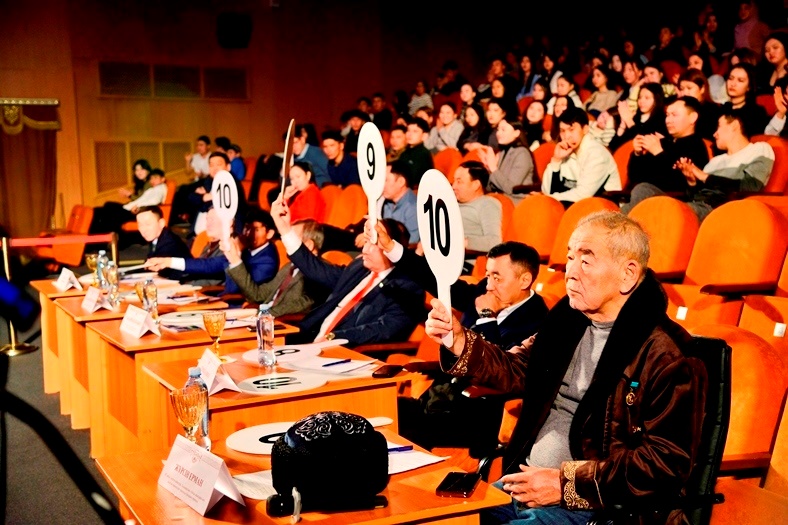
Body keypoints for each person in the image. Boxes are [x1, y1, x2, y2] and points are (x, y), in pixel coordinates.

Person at [425, 211, 707, 524]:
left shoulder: (667, 353)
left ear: (628, 274)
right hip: (523, 484)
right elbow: (515, 368)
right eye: (570, 257)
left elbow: (665, 463)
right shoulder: (566, 323)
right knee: (436, 517)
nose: (569, 272)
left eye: (585, 260)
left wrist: (566, 485)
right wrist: (458, 340)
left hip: (598, 507)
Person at [379, 230, 549, 457]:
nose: (489, 285)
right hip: (438, 401)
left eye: (497, 277)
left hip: (474, 414)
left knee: (395, 432)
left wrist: (487, 317)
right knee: (382, 410)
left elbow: (499, 371)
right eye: (487, 275)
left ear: (525, 280)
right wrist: (392, 248)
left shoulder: (538, 321)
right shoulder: (484, 290)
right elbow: (436, 281)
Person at [271, 198, 425, 347]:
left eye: (373, 245)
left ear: (390, 248)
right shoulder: (359, 267)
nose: (364, 250)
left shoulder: (407, 288)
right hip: (307, 340)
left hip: (343, 352)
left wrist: (334, 338)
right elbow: (316, 270)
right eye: (365, 242)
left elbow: (383, 330)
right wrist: (285, 230)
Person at [673, 108, 775, 221]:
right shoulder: (715, 161)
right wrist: (691, 182)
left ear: (734, 125)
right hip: (696, 206)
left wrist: (704, 176)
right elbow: (695, 197)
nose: (714, 134)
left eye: (719, 126)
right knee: (659, 200)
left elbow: (751, 187)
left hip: (720, 209)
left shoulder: (759, 149)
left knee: (671, 213)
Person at [222, 219, 328, 317]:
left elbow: (302, 307)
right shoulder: (290, 266)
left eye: (291, 238)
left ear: (308, 245)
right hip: (263, 318)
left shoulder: (319, 272)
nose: (285, 242)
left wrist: (259, 313)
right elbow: (257, 295)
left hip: (282, 323)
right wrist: (235, 260)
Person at [623, 97, 710, 201]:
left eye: (674, 115)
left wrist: (658, 153)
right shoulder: (664, 143)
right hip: (645, 198)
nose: (668, 120)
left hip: (673, 202)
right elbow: (635, 177)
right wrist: (638, 154)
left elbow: (676, 183)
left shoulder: (695, 146)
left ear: (692, 117)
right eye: (667, 115)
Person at [541, 108, 621, 206]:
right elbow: (547, 191)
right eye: (562, 131)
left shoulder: (597, 154)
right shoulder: (566, 151)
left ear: (585, 129)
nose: (567, 136)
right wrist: (556, 160)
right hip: (572, 207)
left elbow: (583, 195)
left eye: (571, 130)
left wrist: (548, 199)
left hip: (601, 208)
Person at [452, 161, 503, 272]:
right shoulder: (450, 204)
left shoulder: (487, 204)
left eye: (459, 182)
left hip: (463, 264)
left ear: (476, 185)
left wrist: (463, 242)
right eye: (454, 181)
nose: (453, 186)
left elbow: (494, 241)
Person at [89, 168, 168, 236]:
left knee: (105, 209)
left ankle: (97, 238)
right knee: (101, 211)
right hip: (130, 208)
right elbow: (141, 199)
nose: (152, 180)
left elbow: (154, 201)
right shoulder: (152, 189)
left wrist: (138, 207)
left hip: (136, 212)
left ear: (163, 179)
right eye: (151, 178)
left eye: (155, 178)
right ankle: (96, 237)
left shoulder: (161, 188)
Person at [479, 120, 535, 205]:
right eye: (498, 129)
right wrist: (488, 170)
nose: (498, 133)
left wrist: (493, 168)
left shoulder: (522, 153)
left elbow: (510, 188)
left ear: (516, 133)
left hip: (515, 202)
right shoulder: (503, 152)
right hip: (499, 199)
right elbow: (491, 187)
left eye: (503, 129)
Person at [136, 205, 191, 280]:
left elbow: (155, 269)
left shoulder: (169, 243)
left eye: (148, 224)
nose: (143, 229)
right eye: (140, 225)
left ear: (161, 223)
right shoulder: (156, 238)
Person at [609, 83, 667, 152]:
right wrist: (623, 124)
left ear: (656, 99)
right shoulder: (635, 118)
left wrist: (629, 121)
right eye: (640, 97)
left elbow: (642, 141)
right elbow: (612, 146)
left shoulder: (661, 121)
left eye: (647, 98)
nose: (641, 101)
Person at [678, 68, 721, 141]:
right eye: (681, 89)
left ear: (702, 89)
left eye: (689, 88)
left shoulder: (712, 111)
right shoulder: (679, 109)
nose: (685, 93)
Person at [398, 117, 434, 184]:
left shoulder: (423, 154)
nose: (410, 134)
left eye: (415, 131)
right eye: (408, 130)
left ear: (424, 136)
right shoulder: (405, 152)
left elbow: (414, 178)